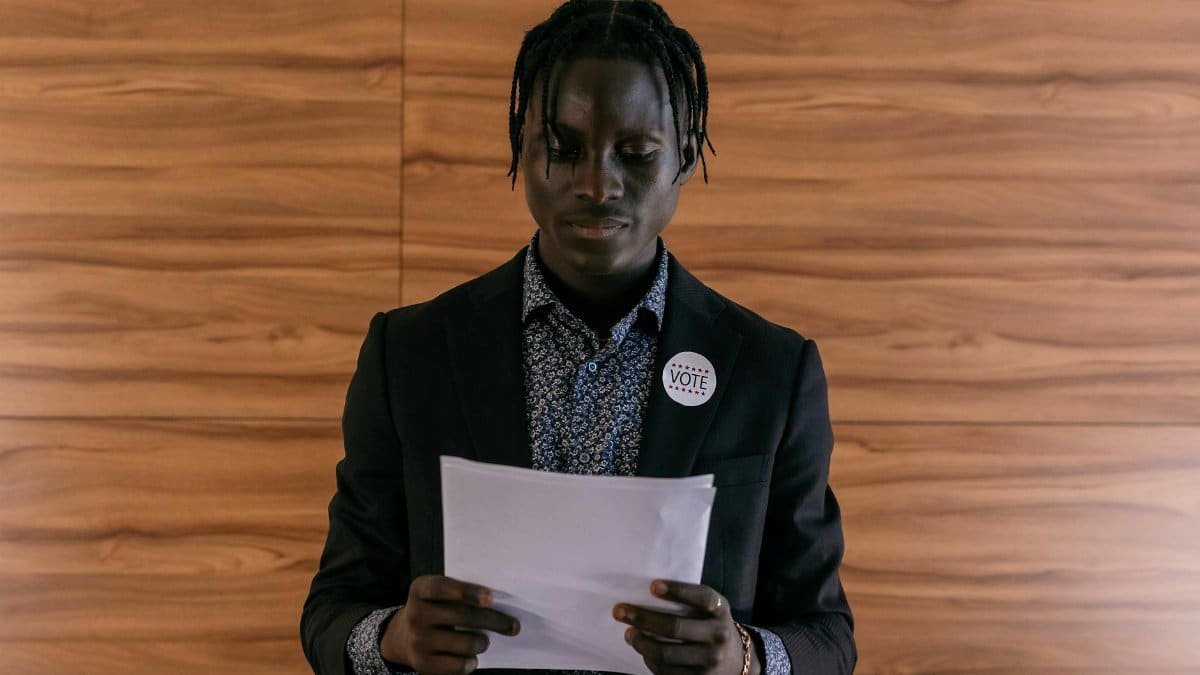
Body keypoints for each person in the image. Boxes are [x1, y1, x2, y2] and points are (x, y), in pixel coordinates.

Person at [300, 1, 855, 674]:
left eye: (635, 153)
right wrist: (393, 637)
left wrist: (746, 656)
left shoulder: (773, 371)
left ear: (683, 155)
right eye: (563, 148)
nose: (596, 183)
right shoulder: (411, 353)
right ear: (520, 150)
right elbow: (333, 611)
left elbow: (828, 636)